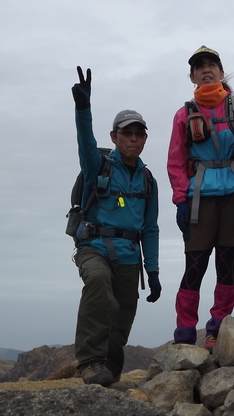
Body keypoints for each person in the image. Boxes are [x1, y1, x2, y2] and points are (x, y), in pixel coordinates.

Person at [71, 66, 161, 386]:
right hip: (93, 247)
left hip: (128, 257)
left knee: (122, 318)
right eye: (127, 133)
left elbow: (150, 229)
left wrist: (152, 272)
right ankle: (91, 362)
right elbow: (85, 141)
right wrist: (84, 109)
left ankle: (108, 370)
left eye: (139, 134)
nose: (133, 139)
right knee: (97, 282)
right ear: (114, 137)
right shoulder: (98, 165)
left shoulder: (148, 181)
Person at [167, 45, 234, 349]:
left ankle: (217, 328)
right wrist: (180, 200)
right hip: (199, 197)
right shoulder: (183, 114)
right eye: (199, 66)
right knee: (195, 265)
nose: (206, 69)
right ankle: (185, 332)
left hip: (233, 196)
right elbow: (175, 161)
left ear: (220, 70)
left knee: (227, 264)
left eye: (211, 64)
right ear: (191, 76)